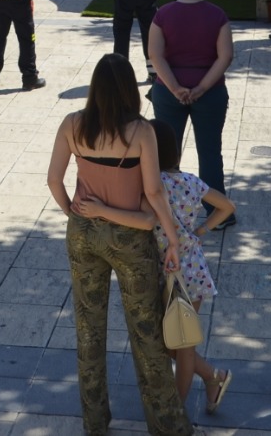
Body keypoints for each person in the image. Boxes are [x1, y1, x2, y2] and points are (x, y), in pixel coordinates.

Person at [46, 54, 193, 436]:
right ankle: (168, 427)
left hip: (83, 233)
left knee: (89, 332)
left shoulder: (72, 124)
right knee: (147, 336)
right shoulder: (141, 131)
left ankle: (95, 423)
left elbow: (53, 181)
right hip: (130, 238)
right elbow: (154, 191)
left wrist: (74, 216)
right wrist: (173, 240)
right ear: (129, 89)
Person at [74, 119, 236, 417]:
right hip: (192, 268)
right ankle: (214, 377)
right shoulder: (190, 181)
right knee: (176, 341)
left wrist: (99, 211)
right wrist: (200, 232)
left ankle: (176, 409)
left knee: (180, 345)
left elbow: (141, 220)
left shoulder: (147, 186)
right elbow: (226, 206)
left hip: (170, 271)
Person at [150, 0, 236, 204]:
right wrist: (200, 88)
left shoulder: (163, 14)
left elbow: (155, 55)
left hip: (167, 93)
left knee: (166, 154)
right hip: (210, 95)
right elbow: (225, 56)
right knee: (210, 152)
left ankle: (167, 209)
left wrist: (175, 88)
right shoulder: (217, 16)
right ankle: (217, 212)